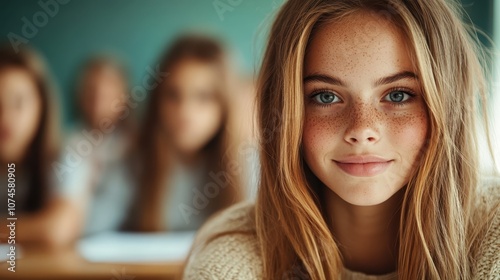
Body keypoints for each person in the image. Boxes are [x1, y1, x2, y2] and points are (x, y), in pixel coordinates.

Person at [183, 0, 499, 279]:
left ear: (446, 106)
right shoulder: (233, 249)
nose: (362, 129)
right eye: (326, 96)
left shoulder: (492, 229)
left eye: (398, 94)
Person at [133, 35, 245, 232]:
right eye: (173, 95)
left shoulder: (251, 166)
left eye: (203, 97)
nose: (185, 112)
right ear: (156, 101)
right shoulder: (132, 161)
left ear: (226, 105)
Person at [53, 55, 136, 239]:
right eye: (91, 91)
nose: (99, 100)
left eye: (107, 92)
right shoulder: (70, 143)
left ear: (124, 96)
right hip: (81, 240)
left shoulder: (139, 143)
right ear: (79, 96)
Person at [0, 46, 64, 246]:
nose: (5, 116)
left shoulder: (67, 157)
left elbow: (55, 229)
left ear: (42, 107)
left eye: (18, 102)